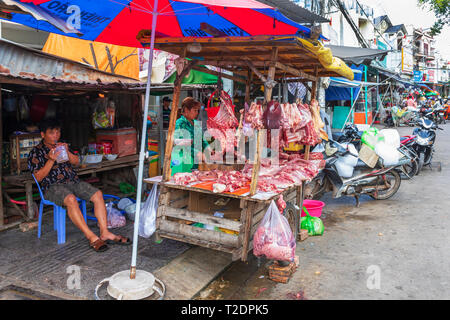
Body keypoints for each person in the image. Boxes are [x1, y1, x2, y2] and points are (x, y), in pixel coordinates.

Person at [28, 119, 131, 252]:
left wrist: (67, 152)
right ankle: (92, 237)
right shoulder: (36, 152)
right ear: (43, 134)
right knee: (71, 199)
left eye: (58, 131)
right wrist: (51, 160)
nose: (56, 135)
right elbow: (38, 177)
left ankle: (104, 233)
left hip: (73, 182)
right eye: (51, 133)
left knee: (98, 194)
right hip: (52, 186)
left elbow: (76, 162)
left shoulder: (62, 145)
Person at [170, 97, 208, 175]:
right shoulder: (179, 123)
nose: (197, 113)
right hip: (181, 161)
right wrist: (197, 153)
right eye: (195, 110)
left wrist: (209, 148)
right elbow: (180, 144)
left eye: (197, 110)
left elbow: (202, 140)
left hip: (194, 163)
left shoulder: (196, 124)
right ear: (187, 110)